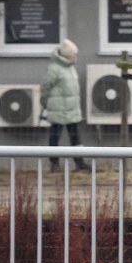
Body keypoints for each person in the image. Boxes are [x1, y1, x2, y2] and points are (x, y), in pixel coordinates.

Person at [41, 39, 90, 171]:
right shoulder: (54, 69)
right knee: (55, 136)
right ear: (67, 55)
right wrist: (44, 103)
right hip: (58, 108)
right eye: (74, 54)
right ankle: (54, 163)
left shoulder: (70, 67)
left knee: (75, 137)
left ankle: (80, 162)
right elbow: (45, 87)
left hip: (72, 108)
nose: (76, 56)